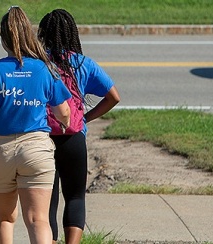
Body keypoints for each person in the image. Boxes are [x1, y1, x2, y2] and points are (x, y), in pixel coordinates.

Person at [0, 6, 71, 244]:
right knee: (38, 219)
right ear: (30, 34)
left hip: (0, 150)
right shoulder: (44, 68)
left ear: (2, 38)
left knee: (4, 218)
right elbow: (64, 112)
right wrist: (63, 123)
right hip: (36, 149)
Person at [38, 9, 121, 244]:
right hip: (74, 138)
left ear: (43, 34)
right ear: (72, 33)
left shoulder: (37, 64)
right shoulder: (82, 63)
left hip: (42, 139)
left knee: (48, 203)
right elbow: (113, 96)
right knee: (75, 197)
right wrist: (86, 118)